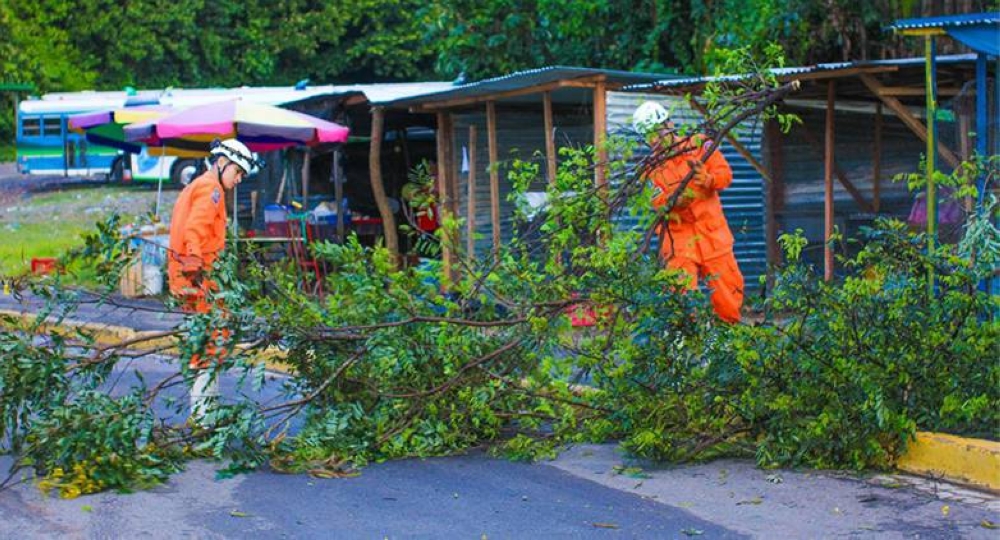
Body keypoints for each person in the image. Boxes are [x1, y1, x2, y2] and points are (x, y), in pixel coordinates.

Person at [167, 138, 261, 423]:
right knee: (209, 347)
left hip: (193, 279)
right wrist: (195, 261)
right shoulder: (211, 189)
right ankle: (204, 419)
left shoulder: (199, 185)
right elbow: (195, 230)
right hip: (201, 281)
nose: (239, 180)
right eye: (238, 173)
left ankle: (204, 415)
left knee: (204, 346)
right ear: (222, 163)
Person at [633, 101, 744, 323]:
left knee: (728, 298)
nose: (655, 139)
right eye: (649, 135)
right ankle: (686, 349)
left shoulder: (699, 144)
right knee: (680, 302)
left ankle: (725, 346)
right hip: (679, 242)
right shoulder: (649, 170)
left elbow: (725, 175)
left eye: (657, 131)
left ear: (669, 124)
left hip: (713, 236)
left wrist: (709, 180)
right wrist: (677, 202)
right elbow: (658, 203)